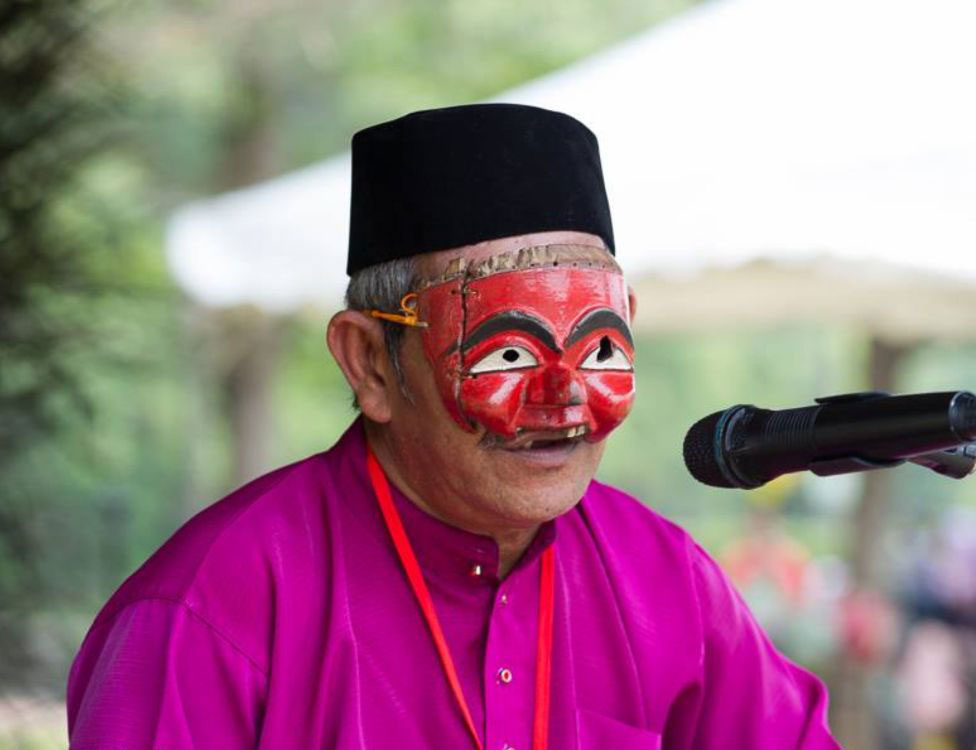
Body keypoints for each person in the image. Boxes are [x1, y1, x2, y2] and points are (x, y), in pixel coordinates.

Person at [65, 104, 839, 749]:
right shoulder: (207, 611)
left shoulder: (664, 581)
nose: (563, 399)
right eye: (506, 350)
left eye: (600, 344)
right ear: (369, 363)